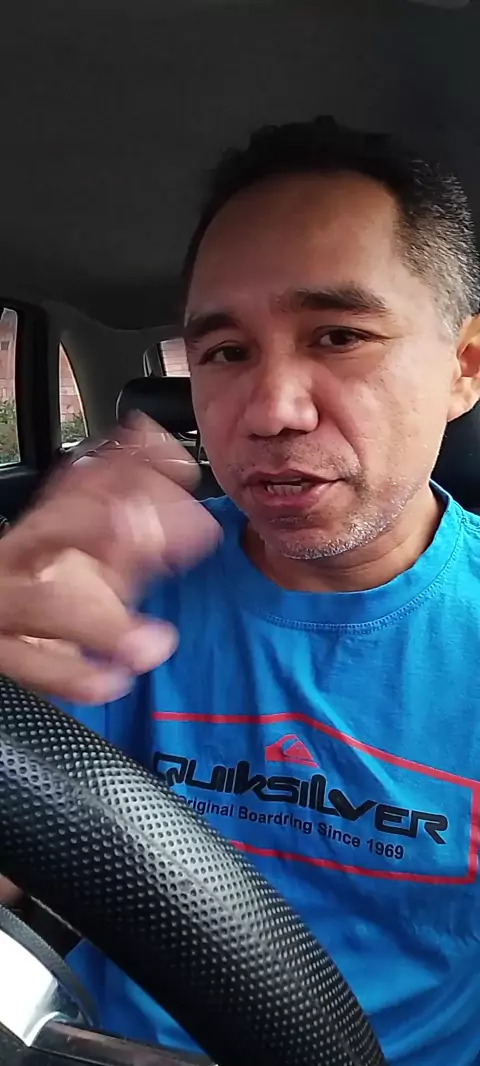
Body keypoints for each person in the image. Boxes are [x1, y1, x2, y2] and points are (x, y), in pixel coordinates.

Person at [0, 116, 480, 1065]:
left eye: (339, 335)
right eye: (224, 352)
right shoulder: (121, 581)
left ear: (464, 368)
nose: (271, 412)